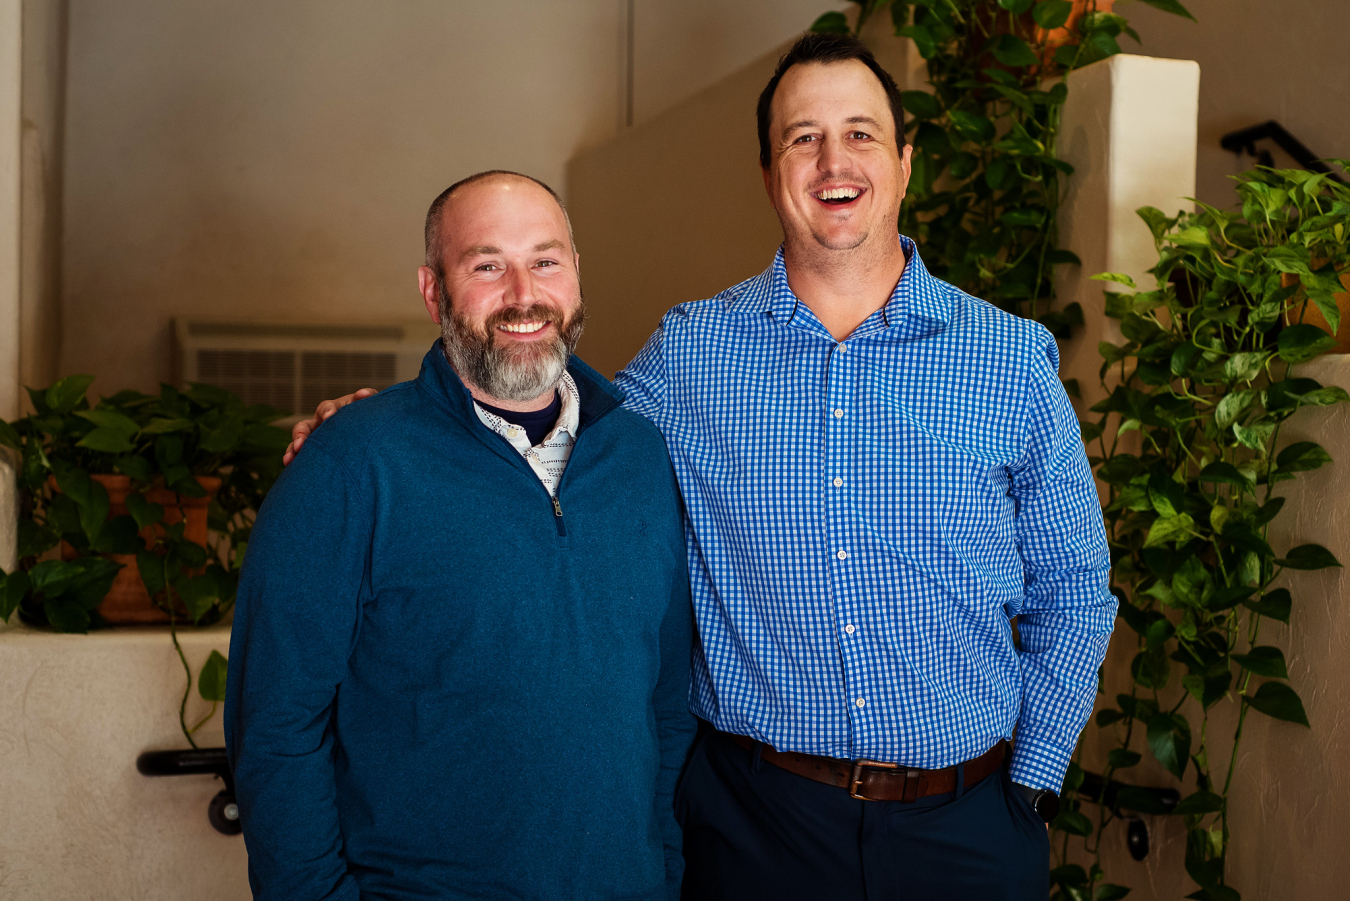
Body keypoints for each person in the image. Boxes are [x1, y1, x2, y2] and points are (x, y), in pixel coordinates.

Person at [288, 33, 1116, 901]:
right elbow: (550, 411)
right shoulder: (691, 353)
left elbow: (1075, 587)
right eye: (803, 138)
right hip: (759, 831)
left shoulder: (1009, 359)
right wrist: (390, 425)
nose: (834, 160)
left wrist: (1032, 785)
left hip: (969, 828)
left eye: (862, 133)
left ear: (905, 163)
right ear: (769, 173)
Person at [225, 170, 695, 901]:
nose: (523, 293)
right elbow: (276, 728)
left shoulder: (639, 456)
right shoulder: (350, 464)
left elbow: (664, 702)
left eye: (545, 260)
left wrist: (661, 867)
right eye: (486, 265)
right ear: (432, 290)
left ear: (575, 274)